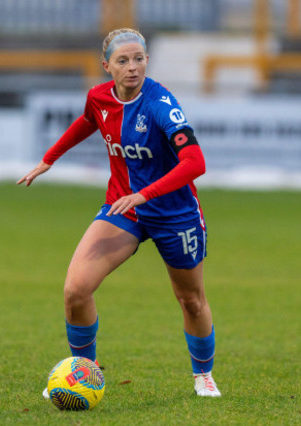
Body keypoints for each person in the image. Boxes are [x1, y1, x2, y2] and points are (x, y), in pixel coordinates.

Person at [18, 28, 221, 398]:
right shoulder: (99, 97)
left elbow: (196, 162)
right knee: (76, 290)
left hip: (174, 213)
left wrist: (145, 194)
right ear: (106, 66)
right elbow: (86, 121)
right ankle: (83, 373)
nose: (133, 68)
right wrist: (49, 159)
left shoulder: (162, 105)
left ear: (147, 61)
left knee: (191, 299)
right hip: (123, 208)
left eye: (139, 59)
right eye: (123, 61)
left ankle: (203, 375)